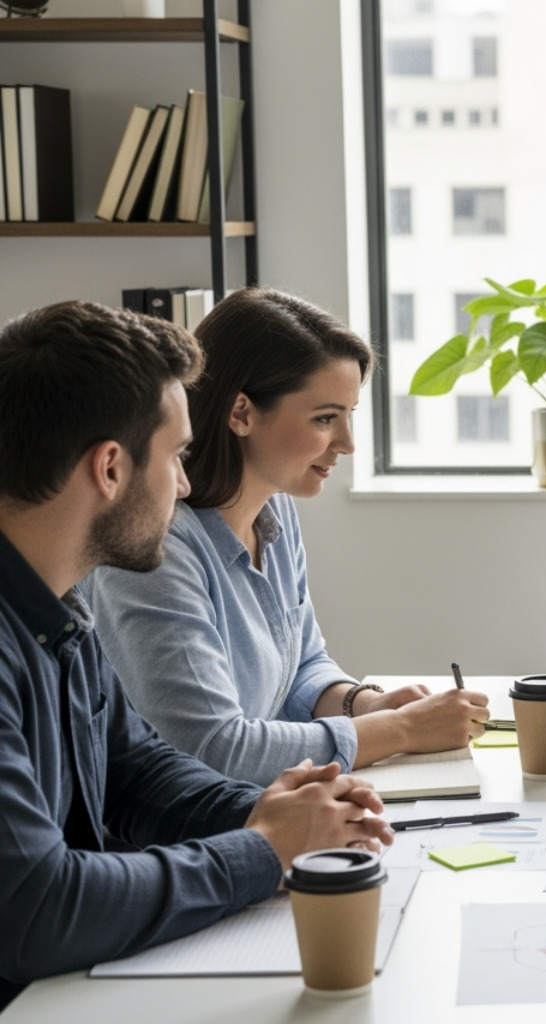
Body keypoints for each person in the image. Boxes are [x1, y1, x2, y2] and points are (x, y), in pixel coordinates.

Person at [0, 301, 394, 1010]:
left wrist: (284, 812)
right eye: (178, 456)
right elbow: (38, 906)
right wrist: (265, 849)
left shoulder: (56, 611)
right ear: (111, 468)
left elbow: (137, 772)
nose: (186, 485)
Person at [86, 287, 488, 786]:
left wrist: (365, 703)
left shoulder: (274, 506)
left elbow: (302, 662)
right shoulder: (156, 550)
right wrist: (400, 729)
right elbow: (213, 749)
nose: (347, 444)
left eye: (348, 415)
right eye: (324, 418)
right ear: (241, 413)